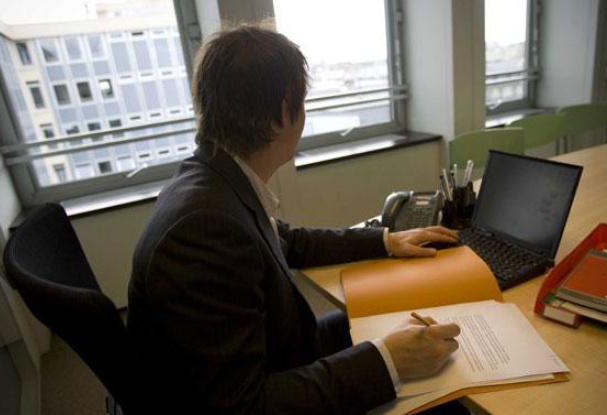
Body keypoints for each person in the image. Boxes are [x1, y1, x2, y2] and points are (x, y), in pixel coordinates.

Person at [128, 22, 464, 415]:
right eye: (302, 104)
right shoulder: (204, 231)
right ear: (284, 111)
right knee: (446, 406)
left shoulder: (212, 180)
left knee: (369, 320)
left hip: (269, 352)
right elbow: (243, 408)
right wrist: (388, 361)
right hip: (253, 392)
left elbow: (288, 239)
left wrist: (385, 241)